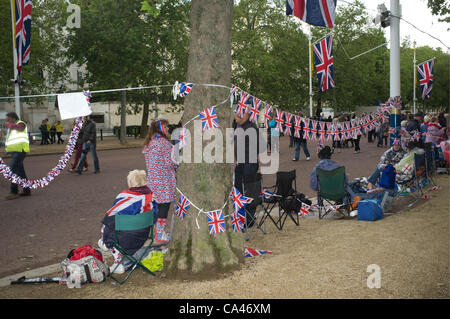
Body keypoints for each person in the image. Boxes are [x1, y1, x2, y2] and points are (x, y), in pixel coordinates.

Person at [98, 169, 155, 274]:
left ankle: (116, 260)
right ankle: (110, 246)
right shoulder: (152, 198)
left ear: (130, 183)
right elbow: (154, 217)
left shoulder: (124, 197)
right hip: (142, 237)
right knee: (119, 223)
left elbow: (110, 215)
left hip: (122, 240)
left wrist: (105, 236)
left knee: (109, 221)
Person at [143, 119, 178, 244]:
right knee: (164, 207)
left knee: (156, 207)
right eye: (166, 126)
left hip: (153, 181)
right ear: (161, 127)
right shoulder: (164, 143)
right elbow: (171, 162)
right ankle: (160, 234)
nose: (168, 128)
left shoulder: (150, 142)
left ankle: (155, 232)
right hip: (164, 181)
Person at [233, 110, 260, 227]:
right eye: (236, 113)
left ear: (248, 115)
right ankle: (240, 216)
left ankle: (249, 219)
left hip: (250, 162)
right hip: (240, 164)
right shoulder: (237, 125)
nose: (238, 116)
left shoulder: (252, 127)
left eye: (241, 114)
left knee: (249, 191)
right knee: (238, 189)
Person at [2, 112, 31, 199]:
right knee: (20, 172)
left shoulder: (21, 123)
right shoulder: (12, 126)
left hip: (20, 151)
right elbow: (12, 139)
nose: (7, 121)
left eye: (8, 119)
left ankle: (14, 191)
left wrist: (9, 125)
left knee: (13, 170)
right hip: (16, 151)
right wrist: (3, 136)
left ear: (13, 118)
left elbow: (20, 128)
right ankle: (26, 190)